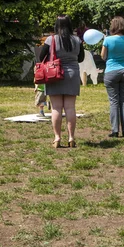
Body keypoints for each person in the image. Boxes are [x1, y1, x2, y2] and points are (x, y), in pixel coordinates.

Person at [38, 15, 85, 148]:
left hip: (54, 75)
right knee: (70, 107)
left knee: (56, 108)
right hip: (73, 74)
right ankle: (71, 138)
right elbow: (80, 58)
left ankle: (57, 138)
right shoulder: (77, 40)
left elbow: (42, 57)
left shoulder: (50, 39)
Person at [101, 16, 124, 138]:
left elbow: (103, 56)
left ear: (113, 26)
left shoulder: (108, 40)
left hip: (111, 71)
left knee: (114, 102)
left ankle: (115, 130)